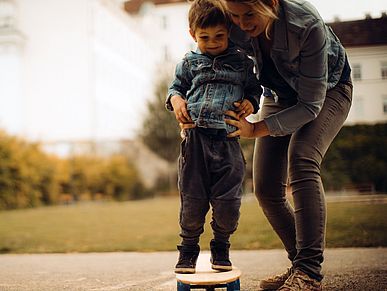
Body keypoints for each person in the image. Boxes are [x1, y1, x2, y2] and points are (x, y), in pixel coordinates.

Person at [219, 0, 353, 290]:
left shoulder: (305, 24)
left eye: (250, 15)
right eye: (235, 16)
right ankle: (299, 266)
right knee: (266, 186)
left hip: (329, 91)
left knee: (302, 158)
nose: (241, 24)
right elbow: (215, 61)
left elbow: (309, 105)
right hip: (279, 94)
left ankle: (308, 272)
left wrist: (256, 129)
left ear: (271, 3)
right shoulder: (229, 19)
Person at [165, 0, 261, 274]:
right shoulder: (188, 62)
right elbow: (175, 89)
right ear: (192, 34)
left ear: (229, 30)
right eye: (205, 37)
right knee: (193, 201)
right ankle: (188, 249)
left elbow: (255, 90)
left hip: (228, 141)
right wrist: (176, 101)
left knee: (228, 202)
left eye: (219, 35)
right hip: (195, 142)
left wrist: (251, 104)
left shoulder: (242, 62)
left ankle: (221, 245)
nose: (213, 42)